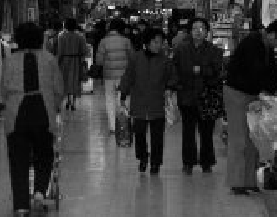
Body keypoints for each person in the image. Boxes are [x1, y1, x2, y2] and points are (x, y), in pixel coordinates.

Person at [0, 22, 64, 216]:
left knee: (18, 160)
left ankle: (21, 205)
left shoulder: (10, 60)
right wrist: (55, 106)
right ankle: (38, 192)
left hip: (17, 114)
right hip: (43, 111)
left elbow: (3, 89)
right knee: (44, 155)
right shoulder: (50, 59)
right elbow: (59, 89)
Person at [224, 31, 277, 195]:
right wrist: (275, 88)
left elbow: (272, 70)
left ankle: (249, 181)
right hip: (237, 93)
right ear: (272, 36)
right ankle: (237, 182)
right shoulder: (252, 44)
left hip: (251, 94)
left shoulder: (265, 47)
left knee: (253, 137)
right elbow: (258, 72)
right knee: (239, 138)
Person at [119, 28, 178, 175]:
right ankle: (143, 157)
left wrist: (170, 87)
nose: (159, 45)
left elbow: (173, 77)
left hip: (158, 104)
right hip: (139, 103)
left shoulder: (165, 61)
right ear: (147, 42)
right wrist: (123, 94)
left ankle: (156, 162)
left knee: (157, 136)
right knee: (139, 134)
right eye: (155, 42)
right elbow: (128, 76)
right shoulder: (135, 58)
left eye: (161, 42)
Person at [172, 17, 224, 174]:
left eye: (202, 28)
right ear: (190, 31)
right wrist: (176, 86)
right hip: (187, 95)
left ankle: (206, 162)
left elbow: (217, 72)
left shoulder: (214, 51)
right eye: (195, 28)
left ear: (207, 32)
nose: (198, 31)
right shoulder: (181, 49)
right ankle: (188, 162)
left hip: (207, 96)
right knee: (188, 131)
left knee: (206, 131)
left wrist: (201, 70)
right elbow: (175, 70)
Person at [96, 18, 134, 134]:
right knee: (123, 99)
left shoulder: (103, 42)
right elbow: (132, 58)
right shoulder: (126, 41)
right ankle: (124, 124)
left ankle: (113, 126)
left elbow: (99, 61)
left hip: (108, 75)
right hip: (124, 75)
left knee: (109, 99)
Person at [56, 18, 87, 110]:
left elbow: (60, 51)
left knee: (65, 81)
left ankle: (68, 100)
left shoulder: (61, 36)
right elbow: (84, 50)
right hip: (76, 61)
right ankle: (73, 103)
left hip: (64, 61)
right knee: (75, 81)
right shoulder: (80, 36)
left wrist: (58, 62)